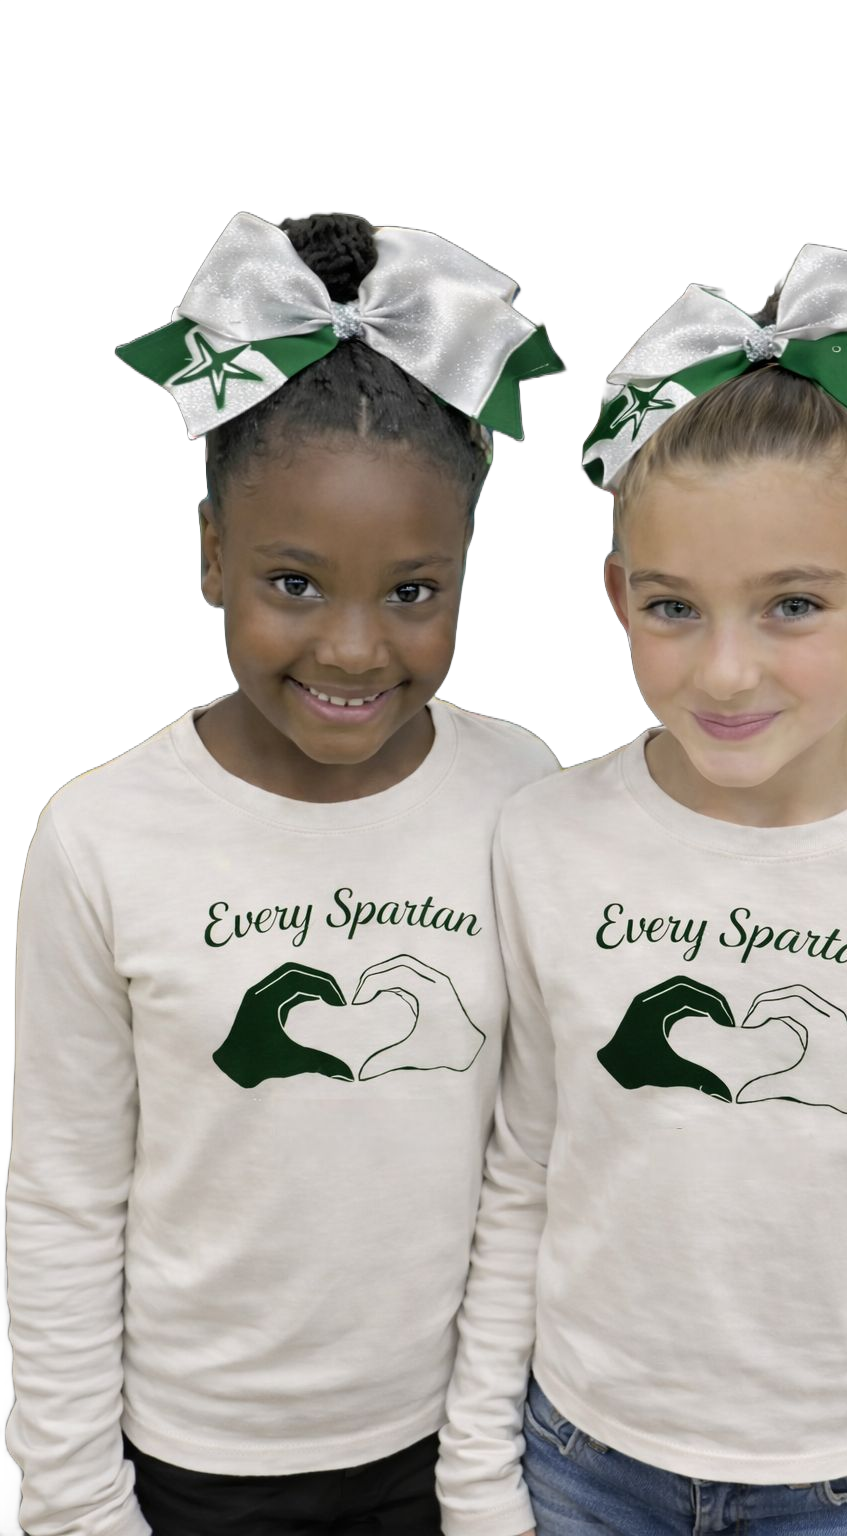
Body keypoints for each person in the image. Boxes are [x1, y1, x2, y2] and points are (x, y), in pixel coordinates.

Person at [436, 244, 847, 1535]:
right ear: (616, 597)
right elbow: (521, 1167)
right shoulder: (546, 836)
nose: (728, 673)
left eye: (794, 605)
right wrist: (477, 1483)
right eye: (675, 608)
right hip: (582, 1461)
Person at [7, 210, 561, 1536]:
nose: (356, 647)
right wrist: (80, 1501)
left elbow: (530, 1154)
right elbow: (66, 1194)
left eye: (415, 592)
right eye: (295, 582)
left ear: (467, 569)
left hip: (458, 1446)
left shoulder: (521, 792)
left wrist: (488, 1460)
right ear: (211, 558)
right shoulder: (104, 833)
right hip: (195, 1468)